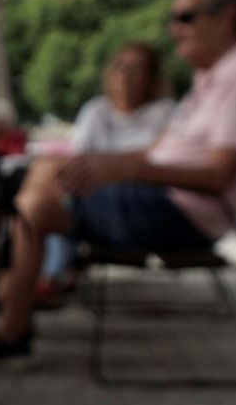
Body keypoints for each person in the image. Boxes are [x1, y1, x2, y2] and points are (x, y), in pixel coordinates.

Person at [0, 0, 236, 358]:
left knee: (32, 207)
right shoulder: (218, 74)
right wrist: (101, 164)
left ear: (227, 16)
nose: (174, 29)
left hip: (180, 215)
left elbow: (218, 176)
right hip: (166, 203)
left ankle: (12, 312)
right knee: (43, 179)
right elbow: (154, 154)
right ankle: (17, 302)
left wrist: (125, 170)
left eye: (185, 17)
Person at [37, 43, 176, 301]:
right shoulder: (95, 109)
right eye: (120, 67)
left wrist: (102, 167)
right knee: (47, 190)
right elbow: (79, 159)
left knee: (45, 203)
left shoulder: (164, 112)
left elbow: (154, 162)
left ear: (151, 77)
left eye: (135, 69)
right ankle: (48, 275)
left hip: (137, 205)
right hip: (99, 198)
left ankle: (49, 276)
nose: (125, 75)